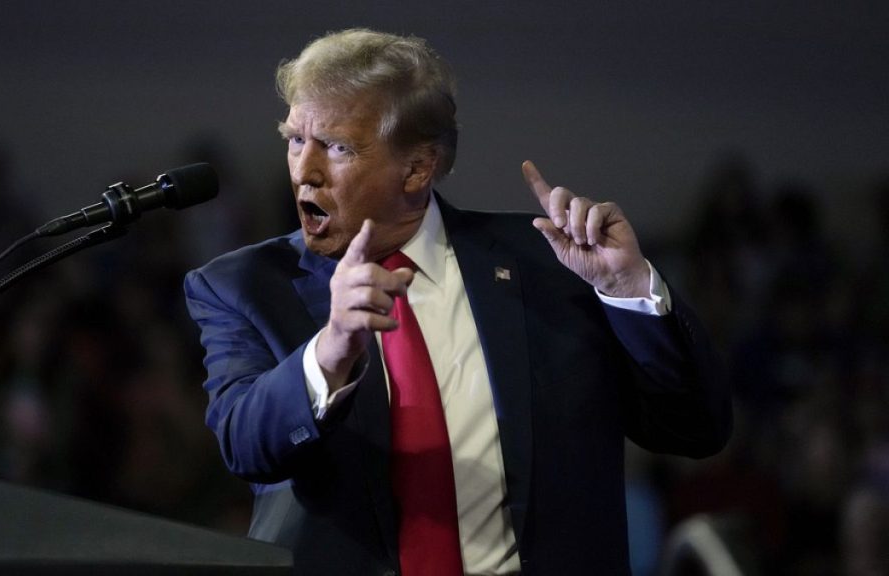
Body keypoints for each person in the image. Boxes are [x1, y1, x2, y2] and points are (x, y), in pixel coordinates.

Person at [184, 28, 731, 576]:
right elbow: (245, 444)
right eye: (295, 139)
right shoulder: (243, 285)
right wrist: (329, 352)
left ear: (417, 169)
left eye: (338, 146)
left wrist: (629, 290)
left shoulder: (553, 265)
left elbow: (695, 428)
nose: (305, 170)